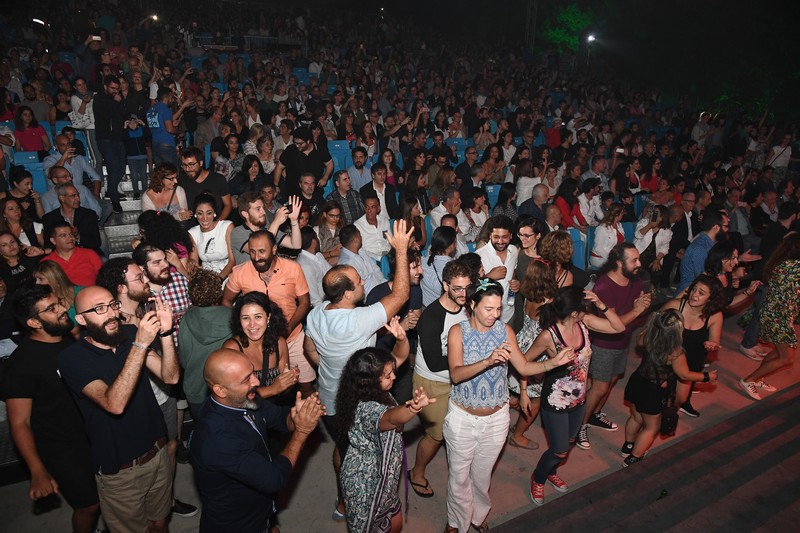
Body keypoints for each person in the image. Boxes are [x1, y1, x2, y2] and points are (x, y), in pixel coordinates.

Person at [443, 280, 577, 532]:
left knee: (482, 475)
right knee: (458, 477)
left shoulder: (504, 331)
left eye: (498, 309)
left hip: (496, 419)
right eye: (488, 309)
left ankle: (478, 515)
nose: (495, 315)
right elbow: (456, 375)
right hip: (462, 418)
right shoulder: (458, 332)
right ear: (472, 305)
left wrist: (553, 363)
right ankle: (456, 522)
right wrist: (488, 360)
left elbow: (524, 367)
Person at [304, 219, 413, 522]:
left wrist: (329, 367)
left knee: (344, 446)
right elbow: (401, 294)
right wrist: (400, 251)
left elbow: (310, 350)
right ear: (348, 293)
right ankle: (361, 503)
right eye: (359, 282)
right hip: (356, 403)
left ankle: (341, 500)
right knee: (365, 454)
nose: (364, 282)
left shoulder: (316, 313)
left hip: (327, 398)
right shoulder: (358, 320)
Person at [58, 286, 179, 532]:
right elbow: (114, 403)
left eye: (113, 305)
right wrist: (141, 345)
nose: (112, 313)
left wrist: (165, 333)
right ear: (81, 320)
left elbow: (171, 377)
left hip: (157, 453)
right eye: (99, 309)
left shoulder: (129, 334)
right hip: (121, 471)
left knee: (160, 522)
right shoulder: (73, 358)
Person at [94, 257, 198, 518]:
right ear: (121, 288)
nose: (145, 280)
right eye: (139, 277)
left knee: (171, 446)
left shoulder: (147, 308)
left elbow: (168, 371)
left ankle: (168, 500)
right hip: (138, 404)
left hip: (163, 395)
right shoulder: (111, 326)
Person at [190, 349, 324, 533]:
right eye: (246, 379)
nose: (256, 382)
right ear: (220, 390)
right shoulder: (217, 440)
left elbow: (278, 418)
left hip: (261, 509)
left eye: (252, 373)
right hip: (238, 524)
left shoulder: (243, 398)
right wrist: (301, 432)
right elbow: (275, 478)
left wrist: (297, 416)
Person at [2, 284, 100, 533]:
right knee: (88, 506)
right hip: (61, 448)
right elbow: (19, 423)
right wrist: (37, 471)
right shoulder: (22, 364)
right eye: (51, 308)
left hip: (91, 435)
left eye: (59, 302)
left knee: (106, 495)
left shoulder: (66, 338)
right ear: (34, 322)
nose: (62, 309)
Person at [526, 285, 624, 506]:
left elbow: (618, 327)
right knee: (559, 450)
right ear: (573, 312)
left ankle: (551, 472)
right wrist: (547, 367)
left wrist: (602, 304)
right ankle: (538, 477)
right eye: (585, 307)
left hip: (579, 400)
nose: (588, 309)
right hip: (555, 402)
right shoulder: (549, 335)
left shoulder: (584, 322)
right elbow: (525, 362)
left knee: (568, 443)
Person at [337, 345, 434, 532]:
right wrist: (413, 408)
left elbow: (399, 355)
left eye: (392, 373)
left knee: (394, 524)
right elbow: (390, 418)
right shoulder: (367, 410)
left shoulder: (368, 388)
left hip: (385, 479)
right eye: (388, 376)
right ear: (371, 381)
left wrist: (401, 337)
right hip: (367, 483)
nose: (394, 377)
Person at [576, 243, 652, 450]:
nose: (639, 263)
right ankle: (579, 425)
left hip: (623, 342)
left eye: (638, 259)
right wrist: (637, 311)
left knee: (612, 380)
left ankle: (593, 415)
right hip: (604, 344)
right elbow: (612, 324)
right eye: (633, 260)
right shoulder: (604, 287)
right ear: (619, 263)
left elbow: (636, 309)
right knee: (599, 387)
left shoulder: (634, 279)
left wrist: (643, 306)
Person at [222, 229, 314, 396]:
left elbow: (304, 302)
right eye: (252, 252)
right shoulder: (239, 273)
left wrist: (288, 327)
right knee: (258, 390)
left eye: (262, 251)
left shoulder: (293, 269)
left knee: (305, 386)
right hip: (258, 344)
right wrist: (242, 325)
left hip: (293, 338)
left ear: (274, 250)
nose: (257, 257)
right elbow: (226, 300)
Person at [622, 310, 719, 466]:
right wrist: (707, 377)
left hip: (636, 382)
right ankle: (634, 457)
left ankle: (628, 445)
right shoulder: (676, 352)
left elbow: (640, 341)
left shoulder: (648, 337)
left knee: (636, 417)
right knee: (651, 428)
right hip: (652, 390)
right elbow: (685, 375)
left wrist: (652, 325)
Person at [408, 260, 472, 498]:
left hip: (459, 379)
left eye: (467, 287)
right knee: (436, 435)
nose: (463, 294)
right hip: (433, 383)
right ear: (445, 285)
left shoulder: (467, 307)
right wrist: (473, 361)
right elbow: (435, 362)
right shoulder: (432, 317)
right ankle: (417, 472)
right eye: (457, 288)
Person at [739, 232, 800, 400]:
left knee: (781, 353)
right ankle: (749, 380)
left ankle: (758, 378)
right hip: (777, 316)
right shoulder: (793, 267)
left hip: (777, 314)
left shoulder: (782, 263)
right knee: (787, 358)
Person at [660, 274, 725, 417]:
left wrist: (712, 344)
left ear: (711, 298)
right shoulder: (675, 306)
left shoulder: (715, 315)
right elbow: (653, 327)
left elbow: (715, 339)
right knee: (659, 394)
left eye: (701, 293)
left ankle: (668, 414)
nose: (694, 295)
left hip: (692, 362)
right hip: (666, 358)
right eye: (693, 289)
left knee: (681, 398)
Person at [177, 269, 233, 419]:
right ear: (218, 291)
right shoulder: (233, 317)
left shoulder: (186, 319)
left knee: (204, 435)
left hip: (195, 390)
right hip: (227, 390)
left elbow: (182, 360)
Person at [222, 291, 300, 399]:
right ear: (239, 320)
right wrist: (273, 389)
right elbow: (234, 397)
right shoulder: (232, 349)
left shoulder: (279, 343)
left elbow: (284, 393)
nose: (252, 324)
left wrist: (289, 381)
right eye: (245, 318)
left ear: (268, 317)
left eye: (258, 317)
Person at [476, 215, 519, 324]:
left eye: (504, 237)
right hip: (488, 318)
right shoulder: (479, 256)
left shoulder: (514, 251)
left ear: (511, 236)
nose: (500, 241)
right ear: (490, 235)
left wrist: (516, 283)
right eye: (496, 237)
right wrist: (488, 277)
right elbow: (471, 289)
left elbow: (513, 273)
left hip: (509, 314)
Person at [42, 184, 103, 256]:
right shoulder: (50, 218)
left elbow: (96, 242)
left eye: (78, 195)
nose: (78, 198)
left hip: (87, 253)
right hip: (62, 256)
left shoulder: (88, 214)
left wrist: (78, 236)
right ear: (62, 198)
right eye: (73, 196)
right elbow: (48, 244)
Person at [178, 146, 232, 222]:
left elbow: (228, 205)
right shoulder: (181, 181)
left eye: (191, 164)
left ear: (201, 163)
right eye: (184, 165)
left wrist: (217, 223)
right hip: (191, 228)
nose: (187, 169)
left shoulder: (217, 179)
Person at [41, 222, 102, 287]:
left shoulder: (89, 254)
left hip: (92, 294)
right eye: (63, 235)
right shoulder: (47, 262)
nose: (70, 238)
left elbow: (103, 278)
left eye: (71, 234)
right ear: (53, 240)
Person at [188, 194, 235, 278]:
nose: (204, 218)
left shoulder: (226, 226)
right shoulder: (193, 232)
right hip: (206, 277)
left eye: (209, 213)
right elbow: (194, 261)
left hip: (228, 275)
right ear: (195, 214)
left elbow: (232, 261)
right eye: (200, 213)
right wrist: (192, 263)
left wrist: (218, 280)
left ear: (214, 213)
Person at [634, 204, 672, 288]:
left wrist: (657, 260)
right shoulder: (644, 222)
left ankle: (651, 290)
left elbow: (665, 247)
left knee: (657, 271)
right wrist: (649, 225)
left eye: (655, 213)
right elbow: (638, 235)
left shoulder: (666, 230)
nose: (652, 214)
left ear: (661, 218)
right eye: (652, 212)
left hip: (654, 257)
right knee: (638, 272)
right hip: (639, 255)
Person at [296, 226, 332, 308]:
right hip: (318, 308)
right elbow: (314, 299)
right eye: (317, 238)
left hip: (329, 300)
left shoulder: (318, 256)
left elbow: (332, 274)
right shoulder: (305, 266)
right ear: (313, 242)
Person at [421, 226, 457, 306]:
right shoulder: (454, 268)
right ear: (451, 245)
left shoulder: (421, 262)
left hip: (426, 309)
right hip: (445, 310)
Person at [353, 195, 391, 260]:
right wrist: (380, 258)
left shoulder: (385, 221)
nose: (369, 210)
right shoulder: (358, 225)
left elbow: (391, 240)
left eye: (372, 207)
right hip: (371, 259)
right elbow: (360, 249)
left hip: (388, 255)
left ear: (378, 208)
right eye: (366, 207)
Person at [589, 203, 625, 269]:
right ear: (617, 214)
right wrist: (611, 258)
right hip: (600, 258)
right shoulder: (602, 228)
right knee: (619, 267)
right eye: (622, 212)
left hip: (614, 257)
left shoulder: (619, 225)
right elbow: (598, 248)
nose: (623, 214)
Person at [314, 199, 344, 265]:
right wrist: (332, 252)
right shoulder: (317, 230)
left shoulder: (343, 230)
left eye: (337, 216)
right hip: (321, 264)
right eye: (331, 216)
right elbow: (313, 255)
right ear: (325, 214)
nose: (335, 219)